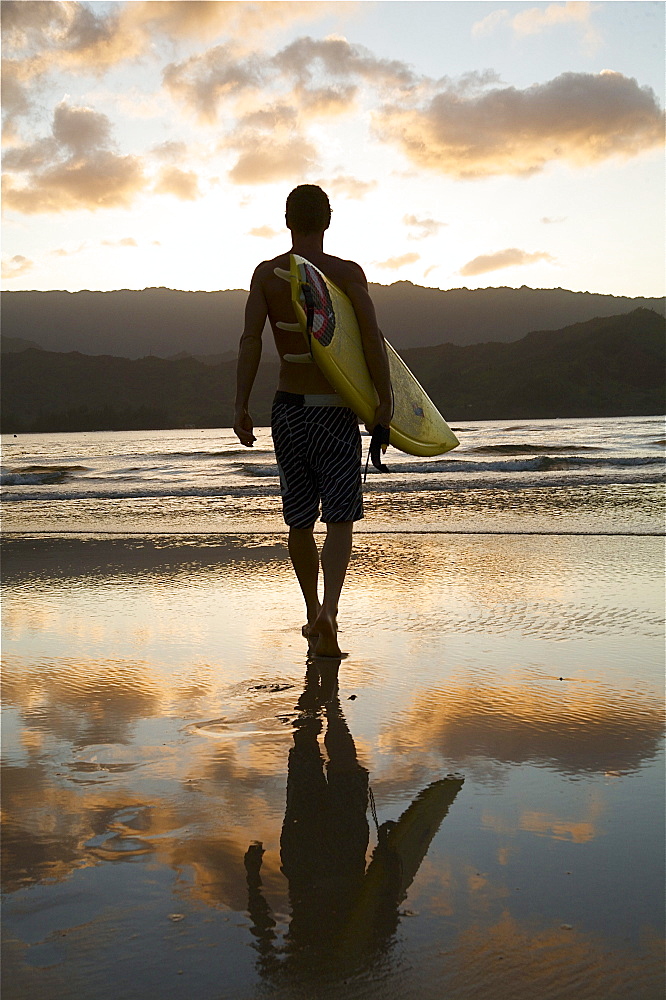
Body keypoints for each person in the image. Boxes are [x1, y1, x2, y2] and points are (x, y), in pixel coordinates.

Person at [234, 185, 392, 657]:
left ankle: (309, 613)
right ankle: (330, 612)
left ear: (287, 221)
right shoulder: (346, 273)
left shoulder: (266, 275)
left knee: (299, 519)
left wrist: (240, 406)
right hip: (334, 409)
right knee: (340, 517)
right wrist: (384, 403)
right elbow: (371, 338)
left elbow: (250, 342)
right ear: (327, 222)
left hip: (287, 409)